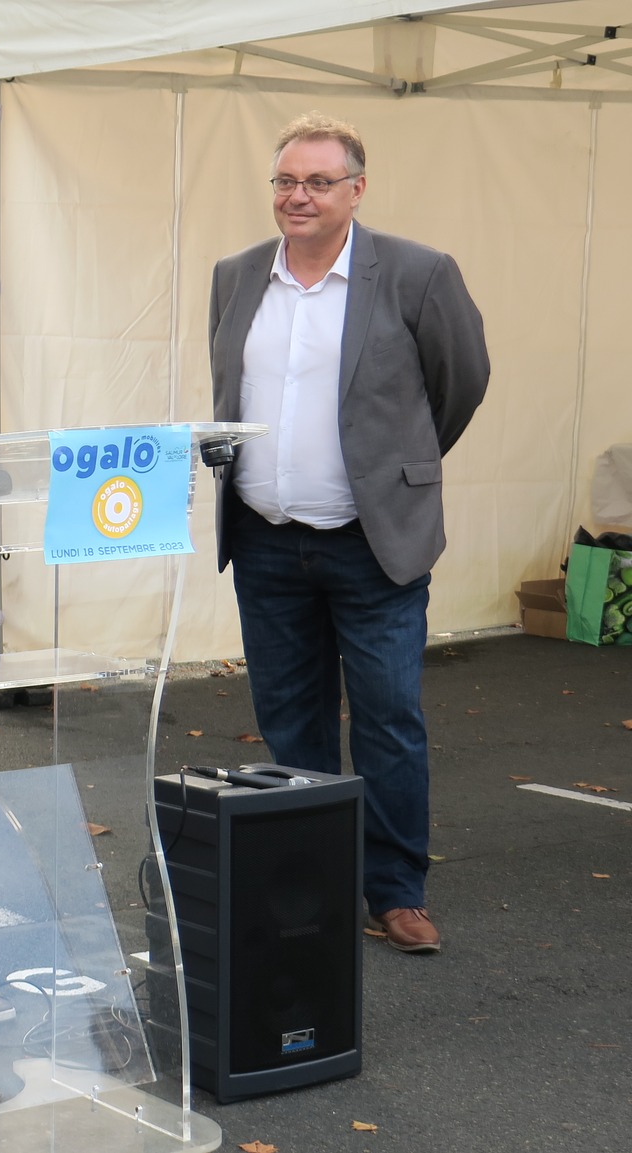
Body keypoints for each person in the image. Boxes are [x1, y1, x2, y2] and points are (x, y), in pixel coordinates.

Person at [209, 112, 489, 955]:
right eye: (286, 181)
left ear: (356, 190)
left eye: (318, 181)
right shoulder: (236, 275)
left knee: (388, 719)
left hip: (374, 542)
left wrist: (396, 468)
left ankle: (396, 890)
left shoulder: (417, 273)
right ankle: (309, 884)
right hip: (264, 538)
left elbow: (461, 382)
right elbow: (231, 387)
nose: (299, 196)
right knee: (290, 725)